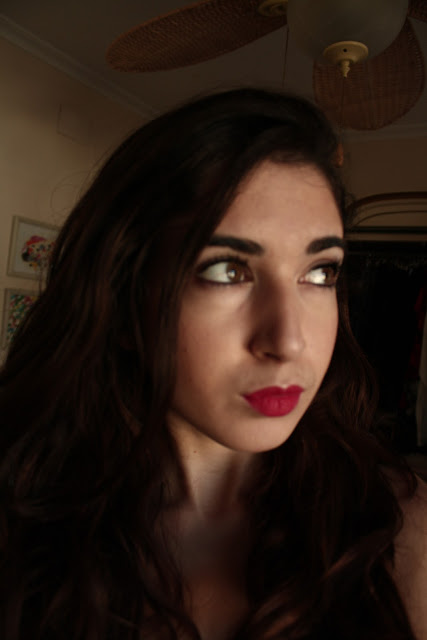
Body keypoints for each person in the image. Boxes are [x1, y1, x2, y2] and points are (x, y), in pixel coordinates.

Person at [0, 88, 426, 640]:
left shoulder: (401, 532)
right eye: (227, 271)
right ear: (123, 299)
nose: (289, 341)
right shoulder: (20, 529)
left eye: (320, 273)